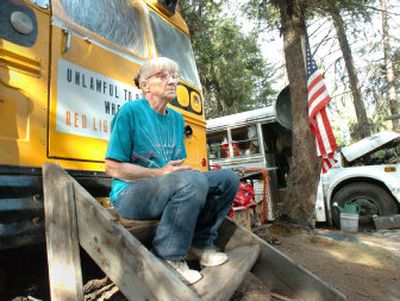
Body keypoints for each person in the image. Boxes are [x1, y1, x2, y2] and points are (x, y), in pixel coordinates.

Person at [104, 57, 239, 284]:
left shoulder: (176, 119)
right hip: (129, 195)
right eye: (162, 75)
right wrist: (159, 173)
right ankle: (168, 257)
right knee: (191, 181)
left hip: (164, 189)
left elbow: (174, 168)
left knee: (228, 179)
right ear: (144, 85)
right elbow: (113, 168)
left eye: (175, 76)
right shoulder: (130, 112)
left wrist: (178, 175)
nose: (172, 81)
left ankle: (200, 243)